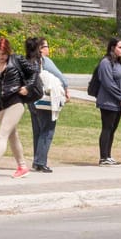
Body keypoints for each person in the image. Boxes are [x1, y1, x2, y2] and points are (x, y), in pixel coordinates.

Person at [0, 35, 40, 180]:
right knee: (12, 137)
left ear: (8, 51)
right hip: (0, 103)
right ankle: (23, 167)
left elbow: (34, 71)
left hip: (15, 101)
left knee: (2, 135)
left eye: (4, 54)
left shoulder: (16, 59)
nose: (1, 57)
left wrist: (27, 87)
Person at [29, 37, 70, 173]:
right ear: (40, 49)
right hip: (44, 100)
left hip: (32, 100)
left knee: (37, 131)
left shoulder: (29, 61)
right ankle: (41, 162)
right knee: (47, 130)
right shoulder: (44, 61)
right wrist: (66, 89)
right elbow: (61, 77)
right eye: (46, 46)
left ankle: (36, 161)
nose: (48, 48)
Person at [93, 37, 121, 166]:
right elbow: (108, 83)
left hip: (118, 103)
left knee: (113, 129)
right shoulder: (105, 62)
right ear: (112, 47)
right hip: (108, 102)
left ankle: (108, 155)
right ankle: (103, 157)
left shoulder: (119, 63)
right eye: (120, 47)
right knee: (107, 128)